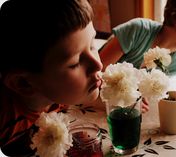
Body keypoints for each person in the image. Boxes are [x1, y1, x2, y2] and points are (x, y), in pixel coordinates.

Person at [0, 0, 103, 156]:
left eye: (92, 45)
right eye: (75, 63)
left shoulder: (57, 91)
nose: (98, 65)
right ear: (23, 83)